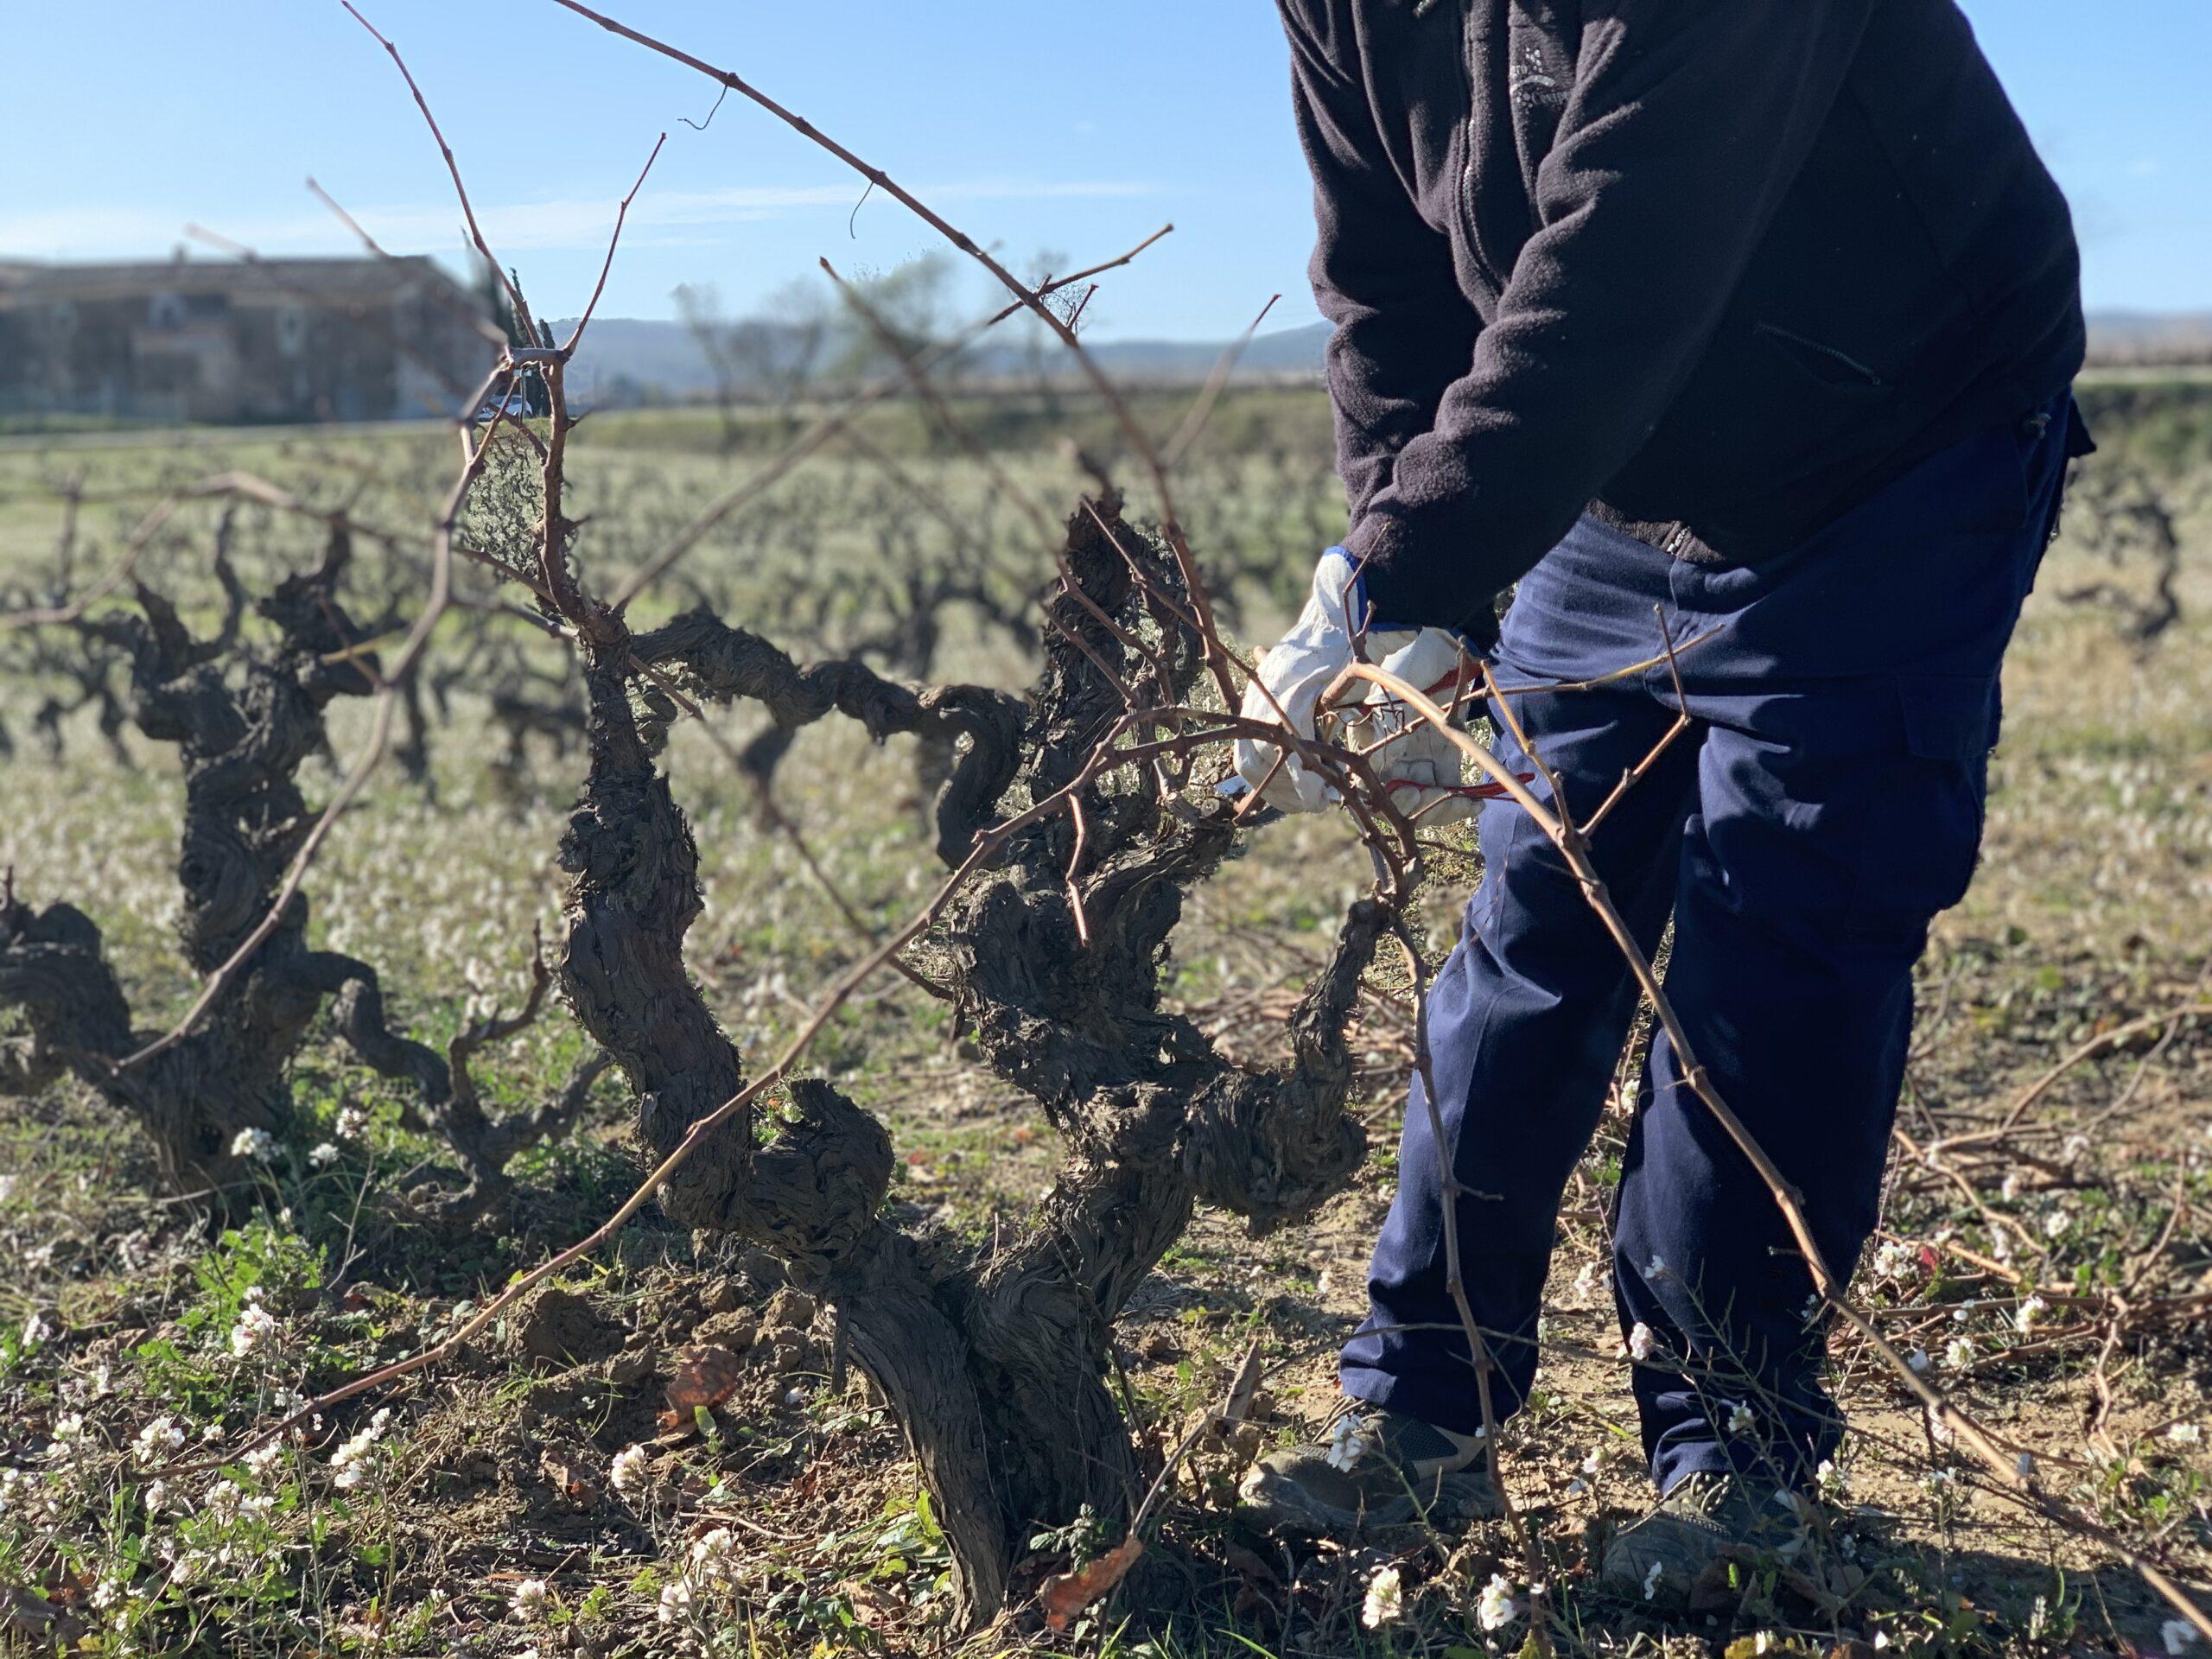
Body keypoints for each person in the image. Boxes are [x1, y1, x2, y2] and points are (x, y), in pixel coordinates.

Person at [1231, 0, 2092, 1605]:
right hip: (1600, 471)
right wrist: (1421, 591)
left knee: (1783, 934)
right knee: (1537, 917)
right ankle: (1415, 1413)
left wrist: (1401, 566)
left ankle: (1733, 1462)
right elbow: (1388, 287)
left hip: (1890, 447)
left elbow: (1632, 254)